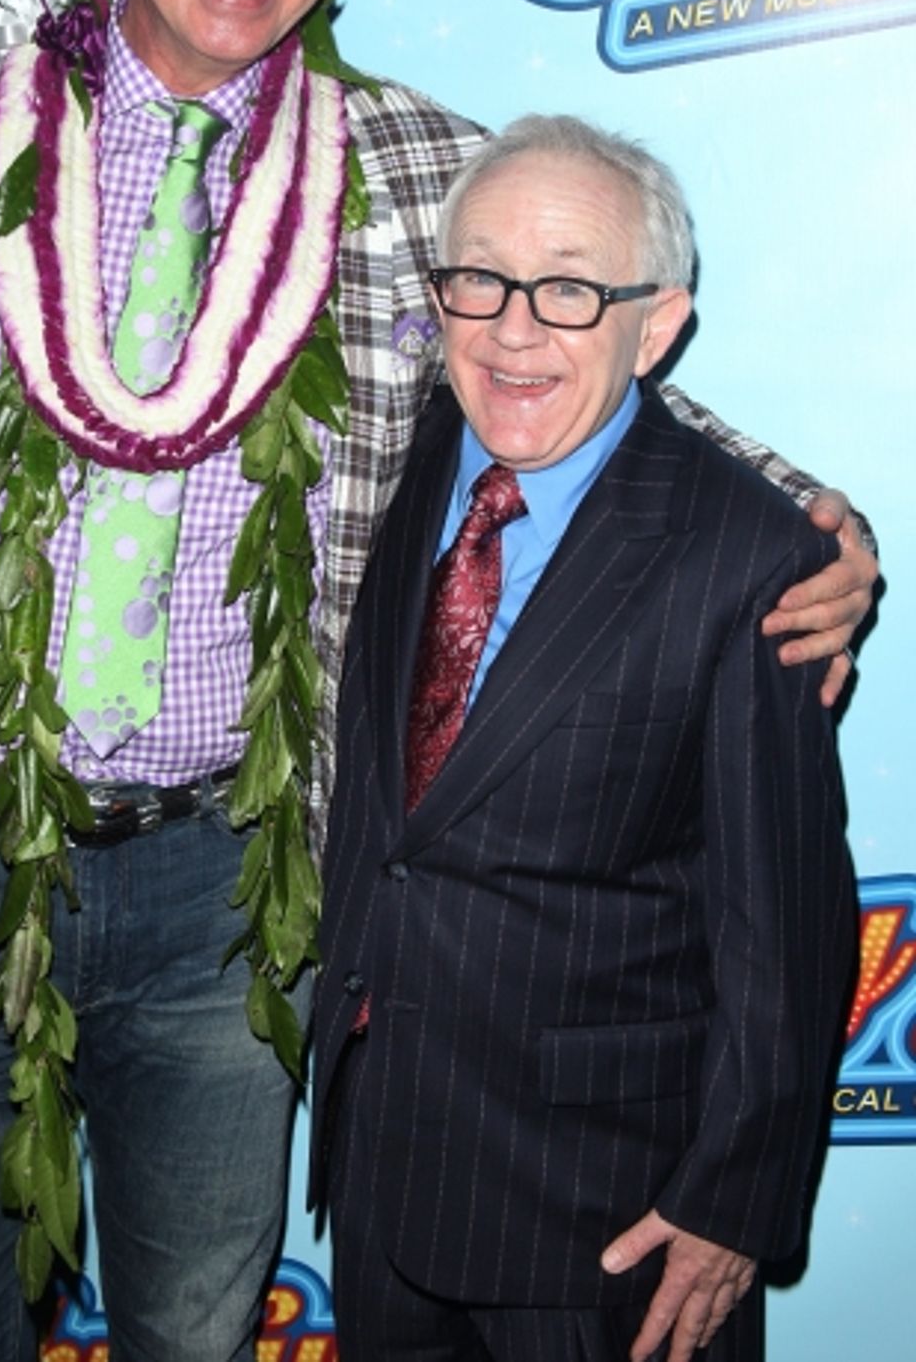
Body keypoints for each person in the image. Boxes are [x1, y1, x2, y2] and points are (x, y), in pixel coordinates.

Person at [0, 0, 871, 1362]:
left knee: (199, 1326)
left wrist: (808, 514)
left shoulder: (409, 170)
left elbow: (584, 339)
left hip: (229, 887)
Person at [310, 115, 859, 1362]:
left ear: (655, 324)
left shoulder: (750, 560)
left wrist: (731, 1201)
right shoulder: (397, 460)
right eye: (480, 279)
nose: (512, 327)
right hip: (388, 1177)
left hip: (611, 1228)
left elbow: (786, 923)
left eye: (567, 289)